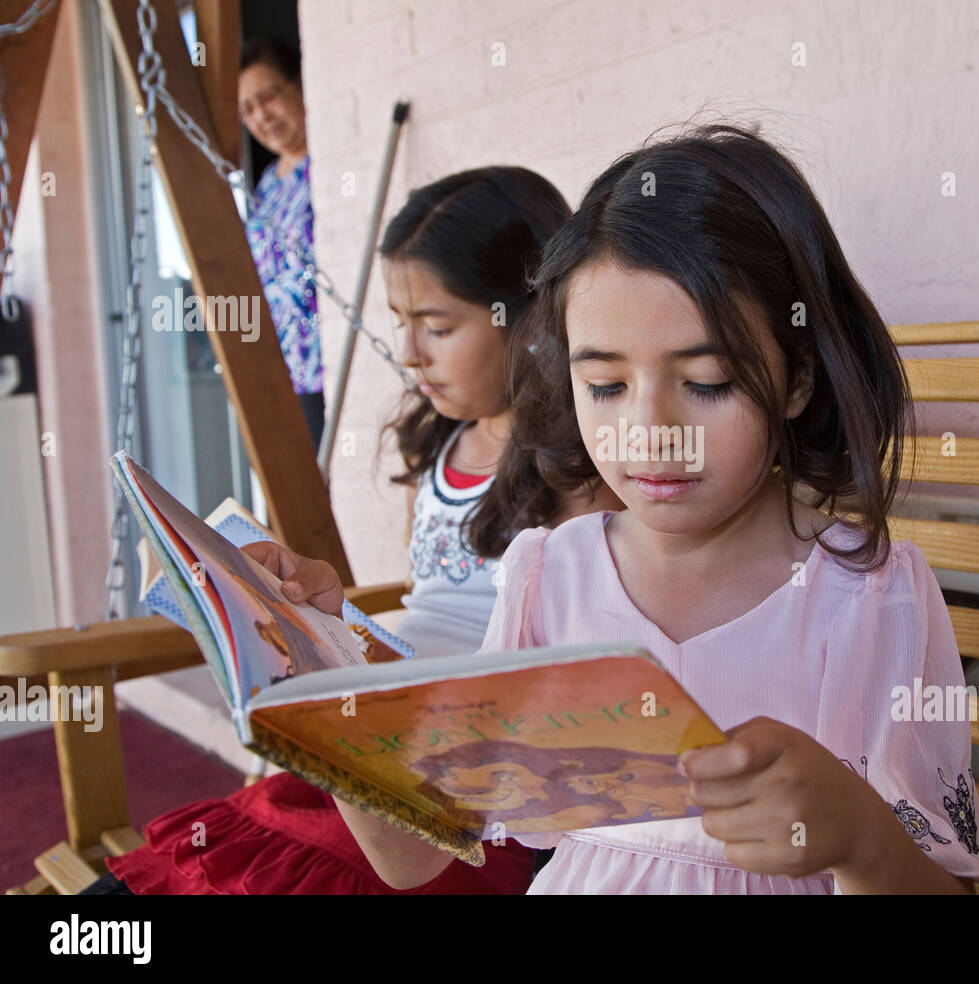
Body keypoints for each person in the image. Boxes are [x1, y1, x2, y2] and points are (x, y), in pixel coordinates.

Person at [331, 122, 979, 894]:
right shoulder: (551, 576)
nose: (651, 435)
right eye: (606, 387)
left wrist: (858, 836)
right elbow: (413, 855)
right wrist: (319, 661)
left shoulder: (864, 594)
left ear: (798, 379)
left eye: (708, 380)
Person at [85, 167, 618, 895]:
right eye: (401, 322)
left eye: (435, 325)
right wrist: (325, 618)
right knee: (178, 871)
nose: (407, 350)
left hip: (457, 803)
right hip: (369, 753)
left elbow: (568, 688)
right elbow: (428, 606)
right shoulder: (449, 448)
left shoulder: (582, 479)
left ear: (527, 317)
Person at [238, 37, 325, 450]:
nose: (260, 117)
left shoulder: (330, 165)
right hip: (281, 373)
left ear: (300, 83)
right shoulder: (268, 184)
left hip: (325, 367)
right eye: (247, 110)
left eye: (267, 97)